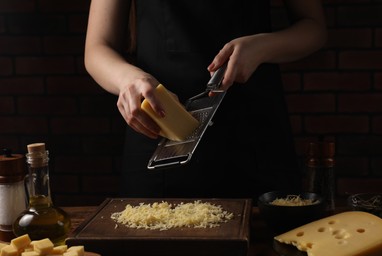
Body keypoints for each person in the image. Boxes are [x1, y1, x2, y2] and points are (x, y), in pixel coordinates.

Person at [84, 0, 327, 201]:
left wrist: (262, 46)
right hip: (159, 132)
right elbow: (97, 47)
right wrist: (129, 79)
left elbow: (314, 28)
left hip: (255, 129)